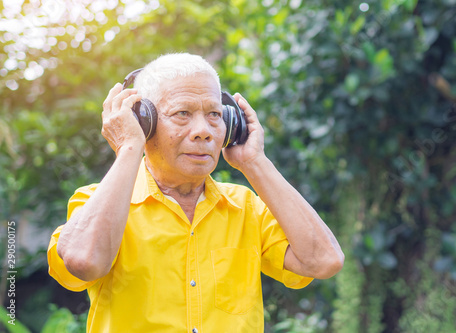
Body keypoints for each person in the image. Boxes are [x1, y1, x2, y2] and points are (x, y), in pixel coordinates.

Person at [47, 53, 344, 332]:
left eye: (214, 114)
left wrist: (254, 162)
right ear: (143, 122)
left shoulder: (246, 208)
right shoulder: (97, 202)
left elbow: (324, 260)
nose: (203, 130)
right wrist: (128, 147)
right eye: (182, 113)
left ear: (231, 125)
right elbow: (84, 262)